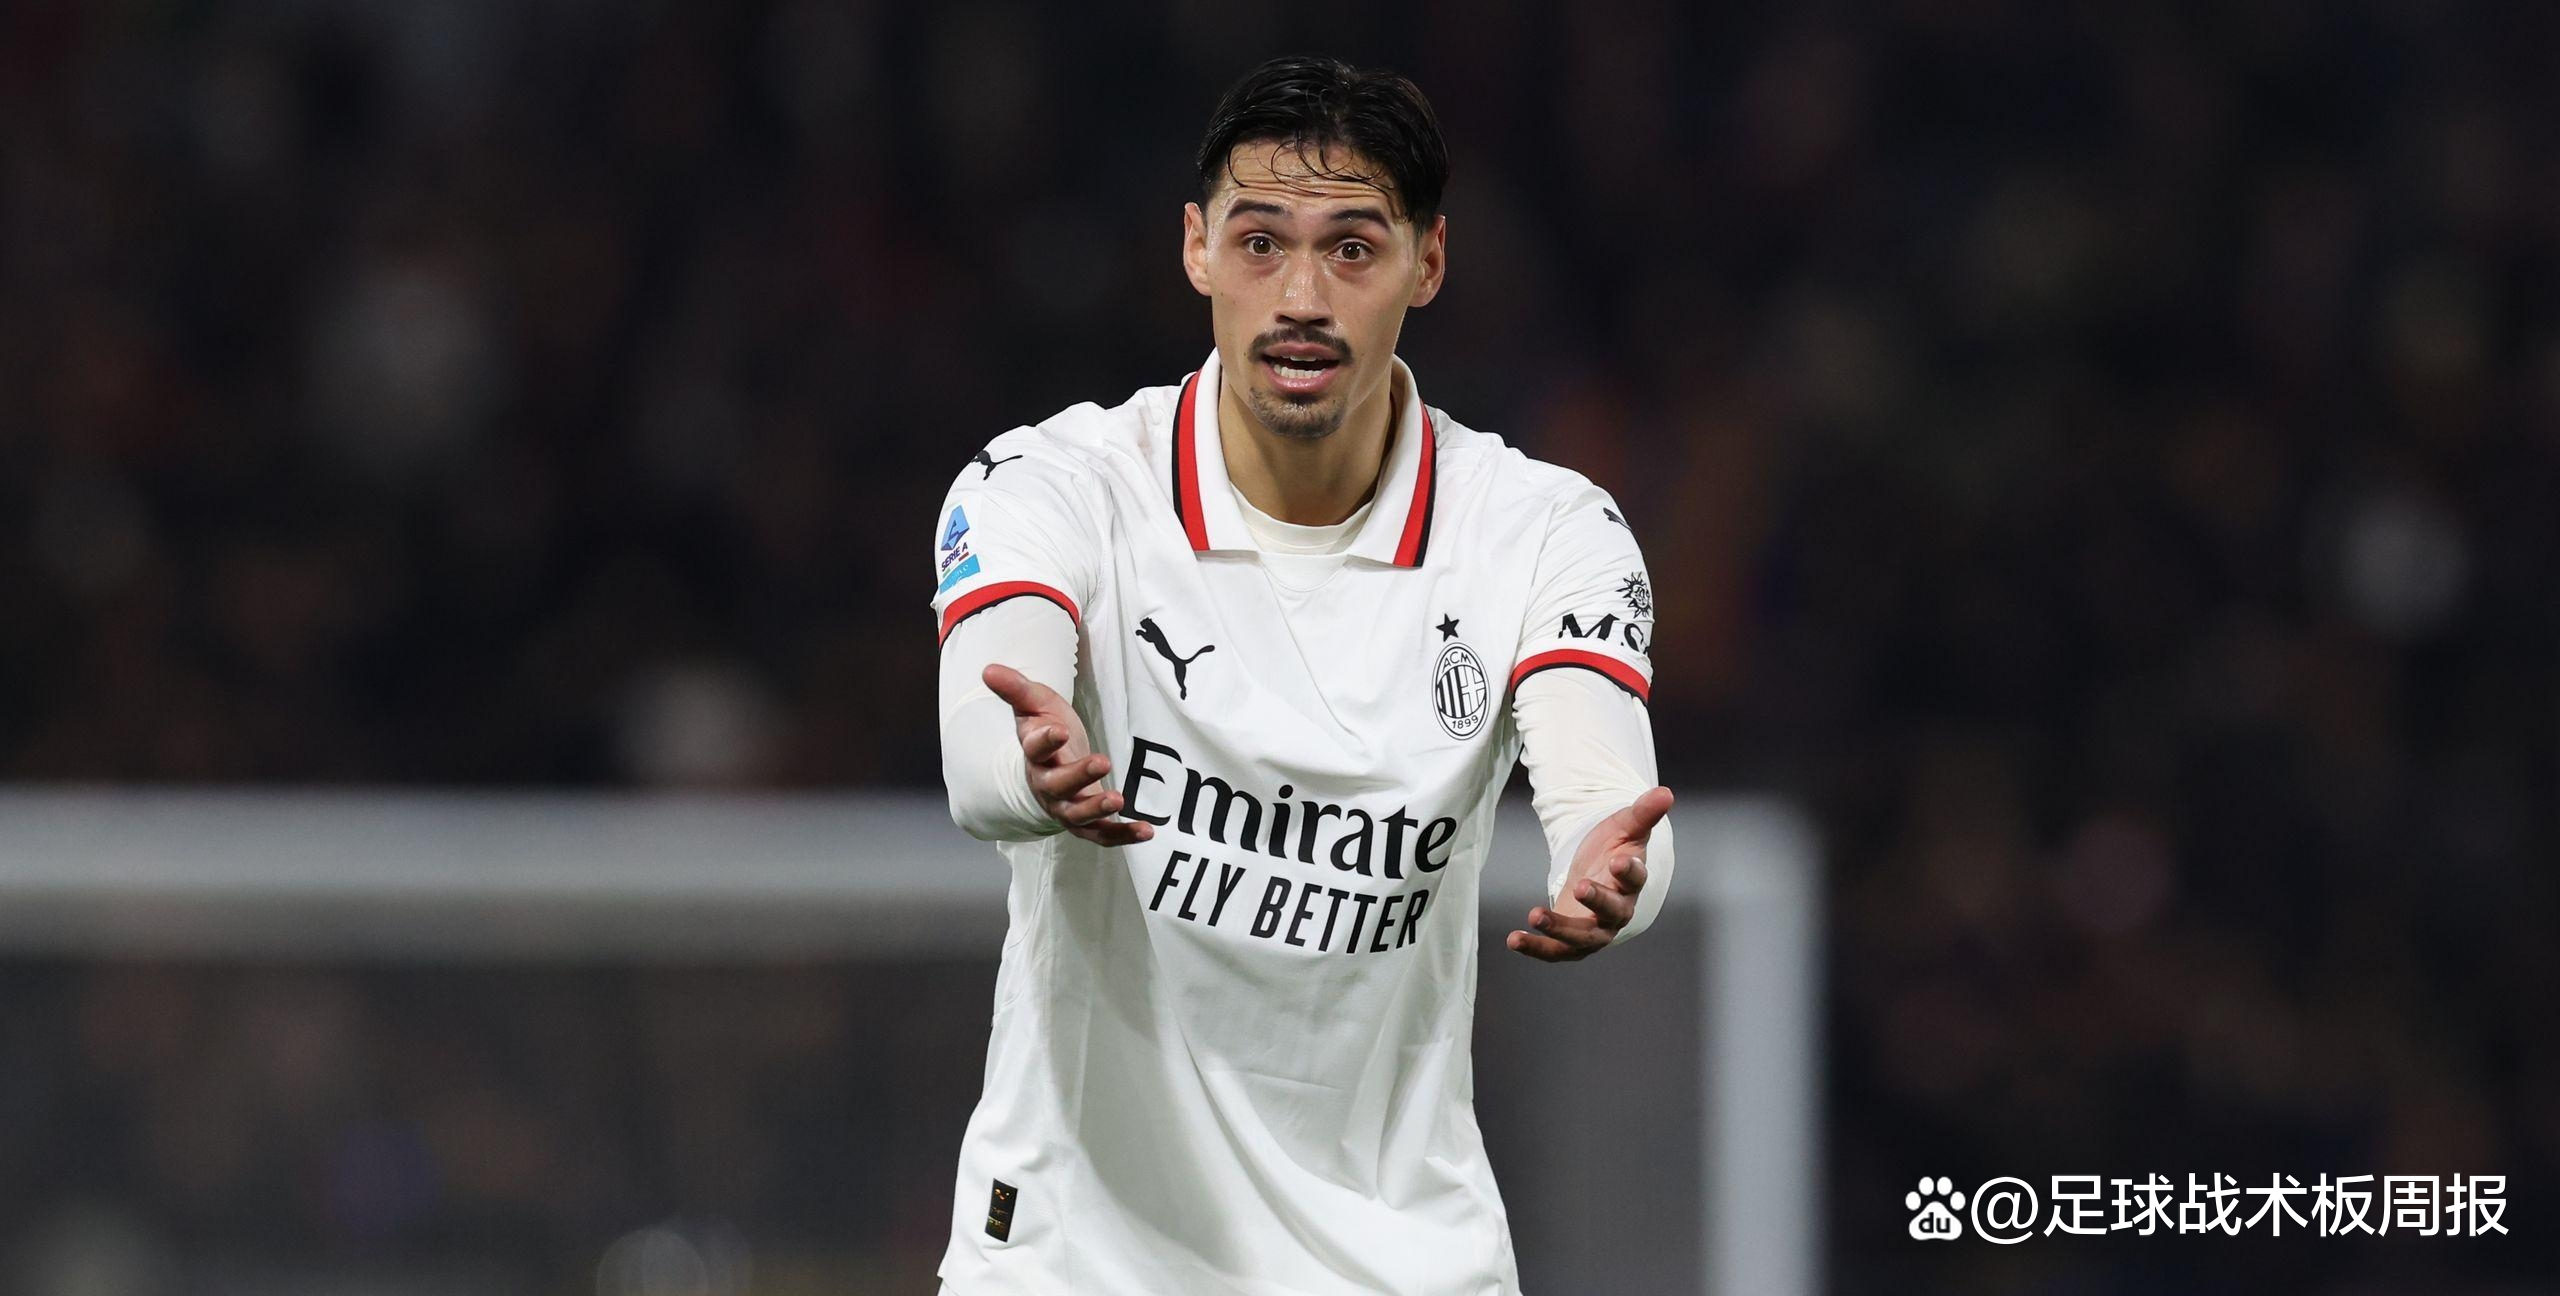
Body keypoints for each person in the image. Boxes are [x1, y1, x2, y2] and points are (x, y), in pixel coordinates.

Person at [930, 54, 1675, 1296]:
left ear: (1427, 263)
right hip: (1076, 1260)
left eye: (1352, 249)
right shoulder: (1056, 484)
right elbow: (983, 743)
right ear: (1196, 248)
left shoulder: (1542, 530)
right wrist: (1029, 765)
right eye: (1260, 242)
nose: (1301, 298)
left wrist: (1615, 880)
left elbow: (1609, 804)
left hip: (1399, 1263)